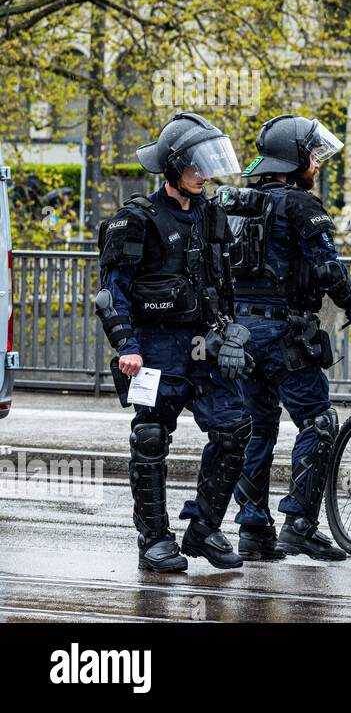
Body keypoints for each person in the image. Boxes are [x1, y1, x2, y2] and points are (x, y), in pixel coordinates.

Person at [95, 113, 252, 572]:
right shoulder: (137, 220)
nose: (204, 173)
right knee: (149, 437)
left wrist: (235, 330)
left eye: (209, 163)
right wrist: (126, 346)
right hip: (155, 346)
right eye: (196, 165)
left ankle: (203, 528)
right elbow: (112, 293)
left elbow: (225, 284)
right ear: (174, 167)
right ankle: (154, 540)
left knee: (233, 431)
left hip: (205, 344)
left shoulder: (213, 214)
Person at [219, 114, 351, 562]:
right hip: (283, 333)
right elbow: (329, 268)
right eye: (313, 155)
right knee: (319, 422)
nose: (317, 164)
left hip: (239, 336)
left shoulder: (239, 205)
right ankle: (300, 523)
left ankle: (253, 529)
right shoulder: (302, 206)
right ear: (292, 158)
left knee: (257, 429)